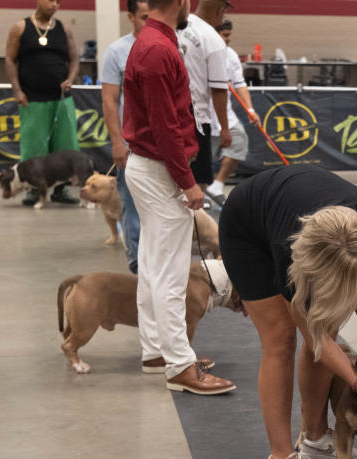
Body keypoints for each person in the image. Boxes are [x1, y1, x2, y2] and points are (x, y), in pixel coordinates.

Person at [218, 165, 357, 459]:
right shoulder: (290, 252)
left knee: (330, 319)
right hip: (247, 225)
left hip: (294, 207)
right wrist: (355, 381)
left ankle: (315, 439)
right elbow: (315, 335)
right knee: (281, 338)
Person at [123, 0, 235, 395]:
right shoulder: (157, 49)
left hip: (152, 167)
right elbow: (165, 125)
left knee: (155, 264)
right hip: (159, 169)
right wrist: (187, 181)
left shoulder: (154, 41)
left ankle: (158, 352)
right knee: (170, 272)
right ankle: (179, 367)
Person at [4, 0, 81, 207]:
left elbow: (74, 59)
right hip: (32, 98)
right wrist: (17, 90)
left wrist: (71, 79)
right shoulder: (20, 28)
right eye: (51, 0)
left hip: (61, 98)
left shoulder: (64, 29)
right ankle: (32, 189)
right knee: (34, 147)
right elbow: (10, 60)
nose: (55, 5)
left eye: (58, 2)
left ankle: (61, 189)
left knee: (65, 148)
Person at [101, 0, 150, 274]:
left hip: (162, 146)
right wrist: (117, 142)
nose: (149, 22)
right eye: (144, 17)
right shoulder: (116, 52)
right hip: (130, 147)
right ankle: (136, 263)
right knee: (130, 205)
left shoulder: (170, 46)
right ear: (130, 17)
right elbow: (109, 100)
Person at [177, 0, 232, 195]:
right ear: (220, 10)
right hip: (196, 120)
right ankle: (193, 222)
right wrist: (225, 128)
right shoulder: (213, 39)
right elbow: (218, 89)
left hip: (172, 114)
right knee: (196, 185)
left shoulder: (178, 25)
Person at [207, 20, 261, 203]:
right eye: (225, 35)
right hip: (202, 116)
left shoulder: (230, 55)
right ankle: (201, 192)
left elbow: (240, 84)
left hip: (226, 116)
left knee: (239, 141)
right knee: (201, 159)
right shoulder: (201, 52)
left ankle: (217, 186)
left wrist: (250, 110)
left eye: (229, 35)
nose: (228, 39)